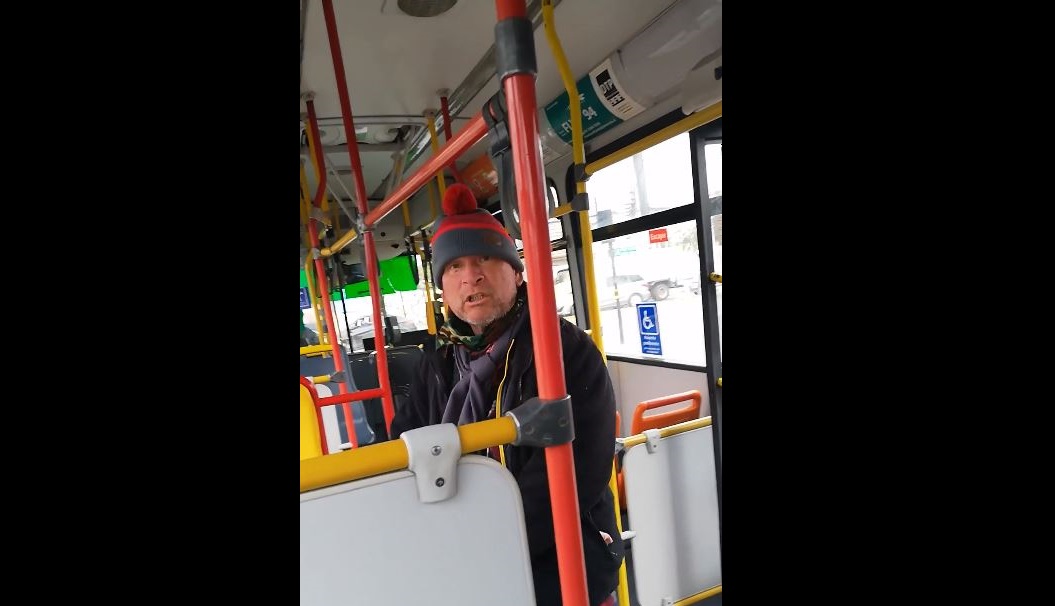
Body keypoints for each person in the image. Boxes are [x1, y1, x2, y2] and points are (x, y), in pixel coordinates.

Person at [390, 183, 624, 606]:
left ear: (516, 273)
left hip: (557, 561)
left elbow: (578, 472)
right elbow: (401, 448)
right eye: (454, 266)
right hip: (462, 553)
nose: (470, 276)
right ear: (443, 287)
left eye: (484, 259)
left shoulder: (564, 350)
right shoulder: (437, 363)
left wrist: (489, 543)